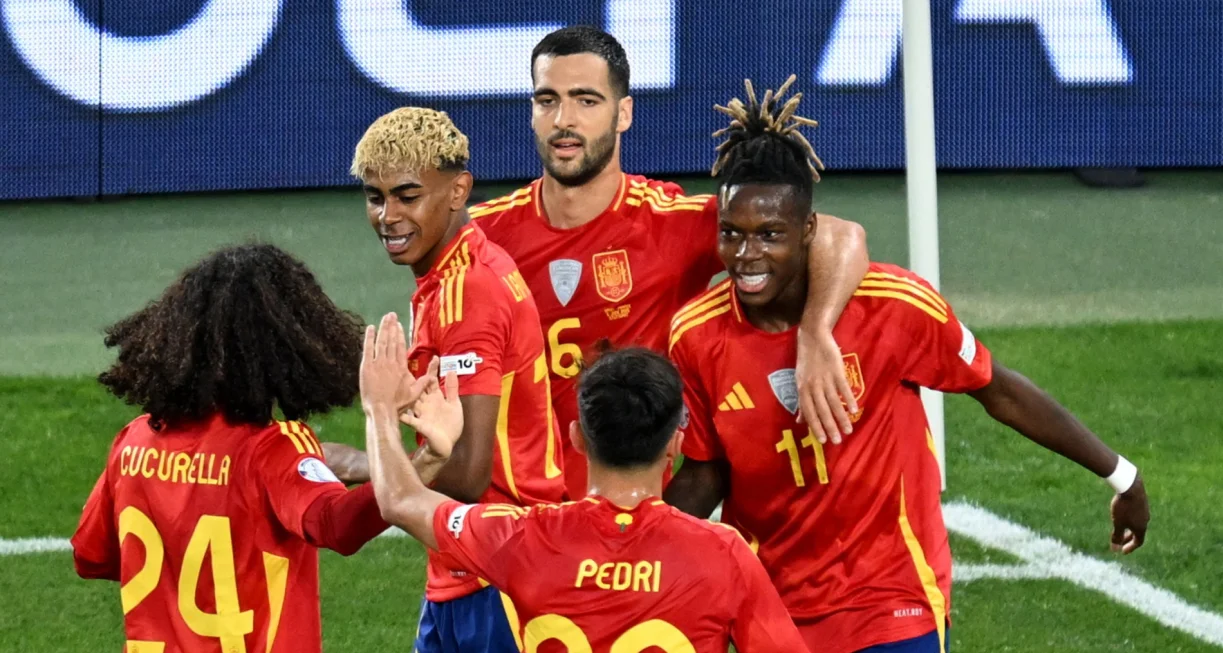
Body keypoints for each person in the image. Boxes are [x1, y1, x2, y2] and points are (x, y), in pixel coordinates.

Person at [663, 77, 1152, 653]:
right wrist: (634, 546)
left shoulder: (892, 305)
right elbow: (705, 472)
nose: (747, 256)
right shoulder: (695, 336)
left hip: (892, 600)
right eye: (731, 235)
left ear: (810, 231)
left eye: (770, 234)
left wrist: (1122, 475)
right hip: (771, 606)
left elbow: (997, 390)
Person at [468, 26, 871, 499]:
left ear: (624, 114)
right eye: (547, 100)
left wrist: (815, 331)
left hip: (630, 512)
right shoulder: (482, 234)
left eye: (586, 101)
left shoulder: (671, 224)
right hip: (515, 516)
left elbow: (842, 236)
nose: (563, 120)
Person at [360, 311, 811, 652]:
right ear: (675, 441)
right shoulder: (725, 555)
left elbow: (399, 498)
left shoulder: (521, 536)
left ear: (576, 437)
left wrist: (380, 411)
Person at [70, 244, 392, 653]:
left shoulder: (133, 442)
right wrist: (420, 468)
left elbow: (91, 557)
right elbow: (336, 525)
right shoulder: (272, 448)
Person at [337, 106, 568, 653]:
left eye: (407, 195)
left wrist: (363, 458)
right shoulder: (448, 279)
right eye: (376, 196)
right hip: (464, 568)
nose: (388, 216)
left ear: (458, 190)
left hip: (501, 577)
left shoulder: (469, 291)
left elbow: (466, 471)